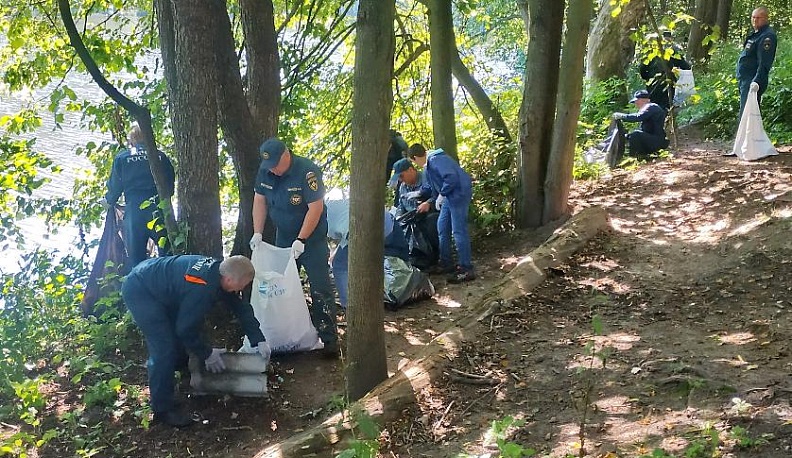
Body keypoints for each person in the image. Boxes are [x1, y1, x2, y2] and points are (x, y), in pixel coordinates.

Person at [121, 255, 270, 427]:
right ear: (229, 279)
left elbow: (240, 307)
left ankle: (178, 378)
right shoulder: (203, 289)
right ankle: (162, 410)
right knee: (163, 349)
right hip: (141, 290)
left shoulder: (219, 272)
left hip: (158, 283)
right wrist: (207, 354)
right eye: (242, 285)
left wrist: (258, 339)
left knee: (175, 340)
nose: (242, 288)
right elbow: (185, 330)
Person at [249, 138, 338, 358]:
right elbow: (259, 201)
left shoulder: (307, 172)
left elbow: (315, 208)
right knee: (279, 287)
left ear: (286, 155)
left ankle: (329, 340)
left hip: (312, 240)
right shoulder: (266, 172)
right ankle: (284, 335)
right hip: (284, 238)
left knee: (320, 288)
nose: (274, 171)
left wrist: (302, 240)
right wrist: (258, 232)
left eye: (277, 165)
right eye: (270, 167)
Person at [104, 124, 175, 267]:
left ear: (132, 140)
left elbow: (115, 188)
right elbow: (170, 185)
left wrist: (108, 200)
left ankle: (139, 286)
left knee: (136, 260)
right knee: (167, 256)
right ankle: (168, 285)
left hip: (134, 211)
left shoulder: (123, 157)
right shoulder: (159, 156)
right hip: (159, 209)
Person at [406, 144, 475, 283]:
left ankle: (466, 268)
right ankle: (446, 263)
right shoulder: (430, 165)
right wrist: (419, 193)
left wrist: (442, 195)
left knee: (458, 231)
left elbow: (451, 178)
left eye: (414, 162)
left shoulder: (437, 159)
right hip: (449, 196)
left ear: (415, 158)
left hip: (458, 195)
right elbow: (433, 186)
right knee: (442, 227)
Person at [326, 197, 410, 309]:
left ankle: (351, 307)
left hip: (371, 228)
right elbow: (346, 235)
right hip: (388, 224)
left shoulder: (319, 213)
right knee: (399, 262)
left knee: (340, 266)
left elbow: (351, 234)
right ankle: (400, 290)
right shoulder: (332, 206)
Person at [389, 158, 440, 269]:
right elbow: (401, 206)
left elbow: (439, 195)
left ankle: (436, 257)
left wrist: (428, 203)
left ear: (411, 170)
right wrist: (397, 217)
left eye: (402, 176)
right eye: (399, 178)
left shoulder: (426, 179)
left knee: (432, 223)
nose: (401, 180)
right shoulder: (402, 187)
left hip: (430, 215)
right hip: (412, 219)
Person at [736, 6, 777, 119]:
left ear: (765, 19)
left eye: (758, 18)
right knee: (745, 112)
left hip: (752, 80)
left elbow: (764, 62)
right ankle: (746, 136)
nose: (755, 20)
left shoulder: (767, 36)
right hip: (745, 80)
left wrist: (756, 81)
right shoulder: (756, 34)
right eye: (753, 17)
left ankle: (747, 137)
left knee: (747, 114)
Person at [639, 30, 691, 110]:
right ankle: (666, 121)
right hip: (667, 84)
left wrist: (649, 78)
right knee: (666, 107)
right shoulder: (672, 51)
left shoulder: (650, 52)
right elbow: (686, 66)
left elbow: (642, 71)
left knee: (654, 108)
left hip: (652, 85)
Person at [613, 90, 669, 158]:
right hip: (653, 140)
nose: (636, 104)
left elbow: (638, 117)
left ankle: (635, 157)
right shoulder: (650, 108)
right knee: (630, 136)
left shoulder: (651, 106)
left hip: (656, 141)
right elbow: (645, 130)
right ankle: (639, 156)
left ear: (644, 100)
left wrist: (622, 116)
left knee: (636, 134)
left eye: (637, 101)